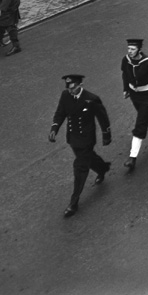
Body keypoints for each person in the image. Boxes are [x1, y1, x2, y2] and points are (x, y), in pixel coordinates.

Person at [49, 74, 112, 218]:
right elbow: (60, 113)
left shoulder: (91, 99)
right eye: (69, 88)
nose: (71, 91)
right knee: (89, 159)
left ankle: (73, 203)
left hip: (86, 139)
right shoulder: (65, 96)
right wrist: (54, 128)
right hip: (73, 138)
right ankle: (102, 168)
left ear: (80, 85)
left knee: (80, 168)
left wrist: (106, 134)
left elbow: (103, 117)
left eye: (73, 88)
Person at [120, 38, 148, 171]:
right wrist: (126, 89)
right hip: (134, 94)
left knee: (140, 123)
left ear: (139, 49)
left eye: (133, 49)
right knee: (146, 115)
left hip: (146, 94)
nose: (130, 51)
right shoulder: (126, 60)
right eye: (129, 49)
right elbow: (125, 75)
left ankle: (132, 157)